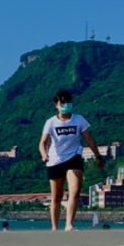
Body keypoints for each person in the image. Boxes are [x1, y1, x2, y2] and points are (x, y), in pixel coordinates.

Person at [39, 89, 105, 231]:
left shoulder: (79, 119)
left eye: (68, 102)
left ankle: (69, 224)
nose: (66, 105)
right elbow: (42, 143)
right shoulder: (50, 122)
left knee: (74, 192)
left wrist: (98, 157)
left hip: (74, 158)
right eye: (62, 102)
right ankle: (55, 227)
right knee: (56, 196)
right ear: (56, 104)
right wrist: (44, 154)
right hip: (55, 161)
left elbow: (89, 140)